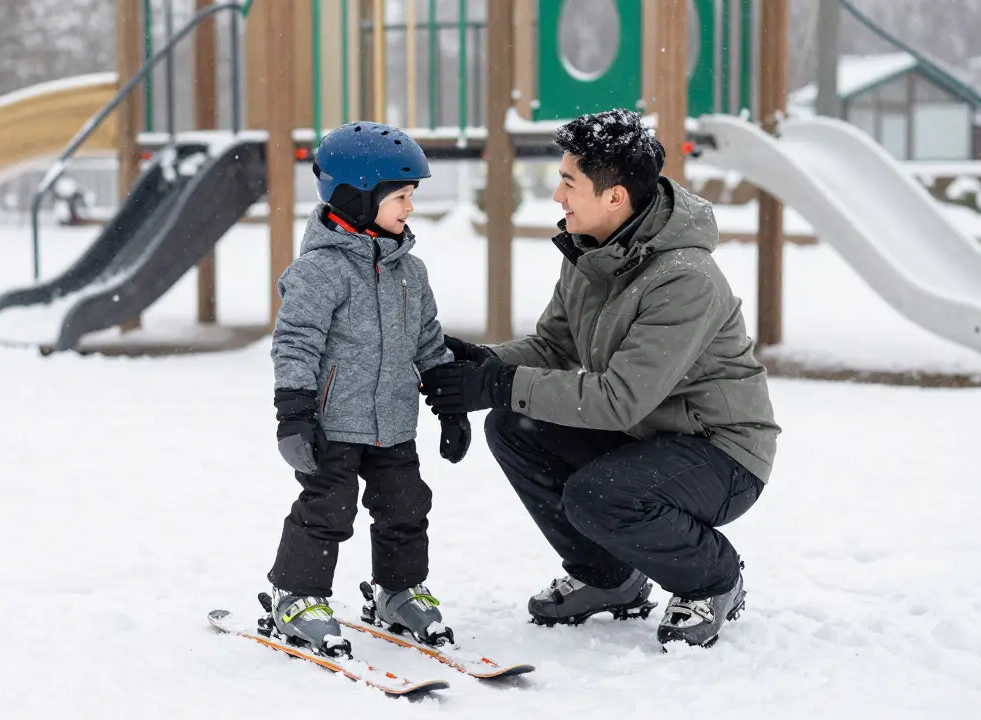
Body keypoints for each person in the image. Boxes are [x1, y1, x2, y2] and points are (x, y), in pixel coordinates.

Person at [423, 109, 781, 649]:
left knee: (598, 495)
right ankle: (608, 577)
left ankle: (712, 579)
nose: (558, 197)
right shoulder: (591, 252)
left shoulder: (684, 278)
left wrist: (500, 384)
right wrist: (481, 365)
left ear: (614, 197)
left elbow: (619, 399)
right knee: (514, 425)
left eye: (569, 184)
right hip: (647, 437)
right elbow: (553, 348)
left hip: (721, 453)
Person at [264, 122, 470, 657]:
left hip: (394, 424)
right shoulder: (320, 271)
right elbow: (295, 343)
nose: (409, 207)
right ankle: (296, 596)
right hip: (332, 424)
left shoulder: (411, 272)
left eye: (411, 196)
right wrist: (294, 414)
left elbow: (428, 343)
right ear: (356, 197)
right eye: (400, 196)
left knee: (406, 508)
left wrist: (450, 407)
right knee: (327, 510)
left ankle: (398, 592)